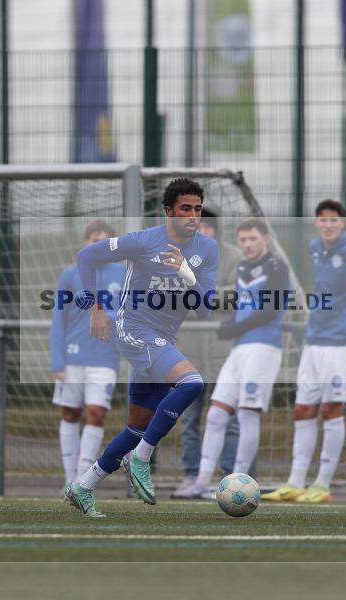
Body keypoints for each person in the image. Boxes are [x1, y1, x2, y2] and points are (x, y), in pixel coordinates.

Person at [64, 178, 219, 518]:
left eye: (196, 208)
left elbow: (206, 307)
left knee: (136, 426)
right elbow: (87, 256)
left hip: (163, 339)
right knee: (192, 383)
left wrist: (185, 272)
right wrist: (95, 307)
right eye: (185, 209)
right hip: (133, 329)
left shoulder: (207, 249)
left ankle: (83, 486)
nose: (192, 215)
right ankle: (141, 457)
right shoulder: (144, 241)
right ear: (169, 211)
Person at [261, 199, 346, 504]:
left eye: (334, 220)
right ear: (316, 223)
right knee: (303, 409)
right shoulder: (316, 248)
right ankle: (295, 482)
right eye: (322, 220)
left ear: (343, 223)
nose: (328, 225)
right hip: (314, 339)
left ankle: (322, 484)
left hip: (340, 341)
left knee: (331, 408)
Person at [181, 218, 290, 499]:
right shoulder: (243, 266)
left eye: (253, 238)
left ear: (265, 239)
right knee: (217, 413)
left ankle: (240, 481)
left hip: (263, 347)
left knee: (246, 413)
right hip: (239, 348)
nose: (248, 244)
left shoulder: (276, 266)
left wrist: (234, 326)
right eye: (243, 240)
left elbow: (270, 309)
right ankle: (201, 481)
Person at [172, 207, 242, 498]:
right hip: (188, 353)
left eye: (206, 227)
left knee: (230, 418)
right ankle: (192, 475)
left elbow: (236, 295)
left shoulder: (235, 257)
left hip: (224, 352)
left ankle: (231, 475)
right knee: (189, 418)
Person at [50, 220, 126, 485]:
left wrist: (110, 315)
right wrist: (57, 360)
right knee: (70, 413)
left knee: (96, 413)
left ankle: (82, 480)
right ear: (86, 244)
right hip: (72, 357)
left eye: (105, 242)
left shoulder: (122, 275)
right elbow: (59, 318)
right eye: (95, 241)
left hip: (105, 358)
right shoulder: (71, 274)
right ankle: (69, 479)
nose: (100, 246)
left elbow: (132, 312)